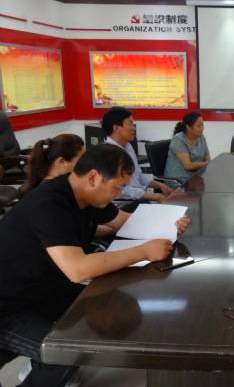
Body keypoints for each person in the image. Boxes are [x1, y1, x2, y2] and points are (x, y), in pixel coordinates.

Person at [0, 143, 190, 387]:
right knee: (65, 356)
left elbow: (125, 223)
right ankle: (45, 363)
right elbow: (78, 270)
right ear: (93, 177)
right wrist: (143, 251)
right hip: (9, 306)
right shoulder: (50, 203)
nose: (117, 195)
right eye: (117, 187)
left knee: (109, 302)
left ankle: (43, 361)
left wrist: (169, 226)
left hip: (43, 289)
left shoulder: (87, 196)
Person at [102, 106, 173, 203]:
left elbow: (138, 176)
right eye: (130, 124)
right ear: (117, 128)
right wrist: (155, 196)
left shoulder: (128, 146)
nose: (134, 128)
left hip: (137, 197)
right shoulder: (108, 154)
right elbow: (122, 191)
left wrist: (161, 186)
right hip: (123, 203)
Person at [19, 134, 85, 197]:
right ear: (61, 162)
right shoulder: (55, 192)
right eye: (81, 160)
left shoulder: (56, 184)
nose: (84, 164)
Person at [165, 111, 211, 182]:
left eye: (202, 125)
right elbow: (188, 166)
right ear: (188, 127)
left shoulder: (201, 137)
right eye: (199, 126)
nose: (202, 128)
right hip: (179, 180)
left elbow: (208, 159)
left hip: (196, 178)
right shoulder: (178, 139)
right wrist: (208, 163)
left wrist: (208, 163)